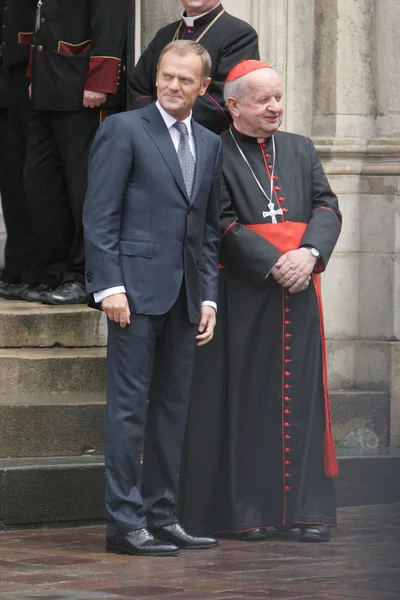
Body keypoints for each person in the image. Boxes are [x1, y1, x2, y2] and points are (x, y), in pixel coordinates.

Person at [178, 60, 342, 544]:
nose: (276, 107)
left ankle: (307, 510)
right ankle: (248, 511)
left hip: (301, 291)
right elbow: (219, 222)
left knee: (304, 398)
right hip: (245, 295)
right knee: (248, 400)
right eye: (263, 100)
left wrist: (309, 254)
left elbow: (327, 205)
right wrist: (274, 262)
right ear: (233, 106)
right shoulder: (214, 150)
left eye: (278, 98)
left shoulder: (301, 148)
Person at [83, 40, 221, 557]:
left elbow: (205, 230)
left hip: (186, 299)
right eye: (166, 76)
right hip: (132, 297)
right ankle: (124, 522)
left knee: (171, 410)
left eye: (185, 80)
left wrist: (208, 297)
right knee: (127, 411)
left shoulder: (208, 143)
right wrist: (109, 286)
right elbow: (99, 216)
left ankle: (161, 515)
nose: (172, 86)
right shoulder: (123, 129)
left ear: (204, 88)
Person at [23, 0, 128, 304]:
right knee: (40, 185)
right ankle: (55, 274)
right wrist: (36, 74)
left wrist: (100, 81)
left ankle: (82, 276)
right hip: (48, 86)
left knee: (85, 188)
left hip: (83, 88)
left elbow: (110, 20)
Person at [128, 1, 259, 134]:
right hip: (150, 136)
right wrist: (151, 122)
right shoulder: (164, 34)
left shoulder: (240, 35)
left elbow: (225, 100)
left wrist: (167, 122)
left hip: (204, 142)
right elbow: (138, 89)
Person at [0, 0, 39, 302]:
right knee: (10, 180)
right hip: (7, 79)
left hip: (29, 77)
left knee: (30, 177)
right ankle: (15, 268)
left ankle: (31, 268)